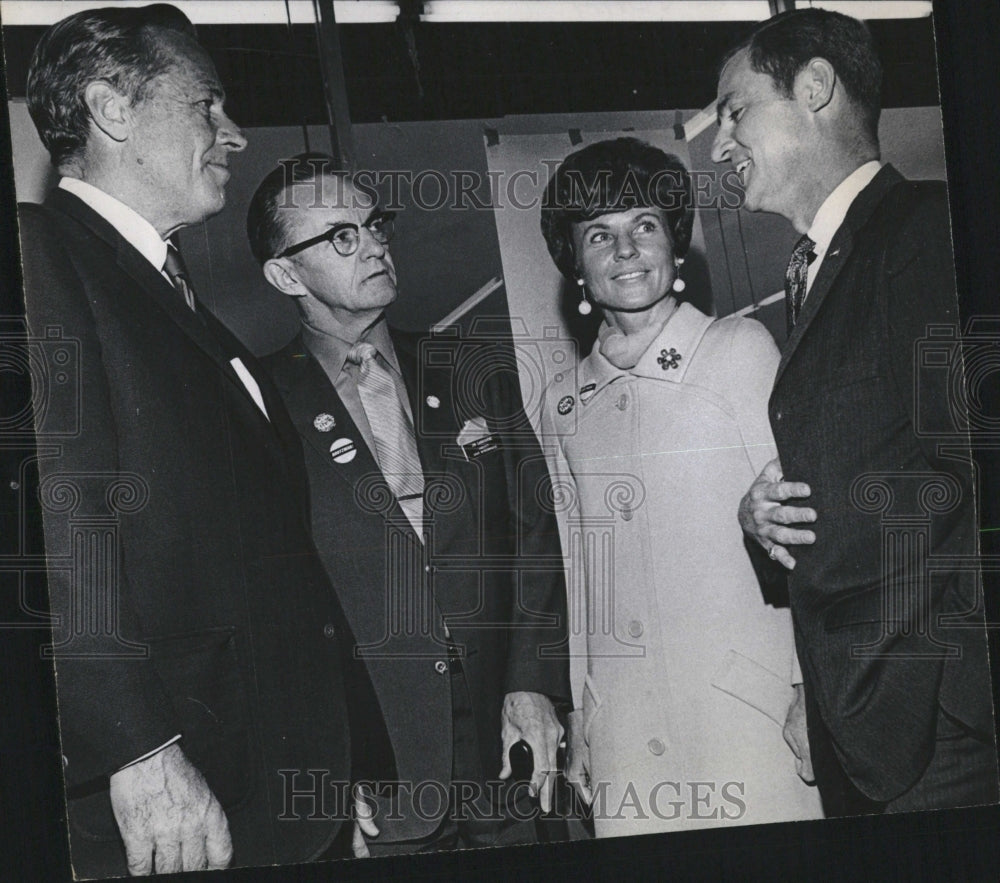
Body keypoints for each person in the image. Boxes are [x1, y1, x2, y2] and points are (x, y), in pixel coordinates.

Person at [18, 6, 370, 875]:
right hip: (177, 799)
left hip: (272, 790)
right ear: (112, 108)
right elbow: (57, 525)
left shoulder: (178, 301)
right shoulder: (38, 255)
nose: (234, 133)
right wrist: (135, 751)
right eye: (207, 106)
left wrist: (336, 765)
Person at [712, 8, 997, 815]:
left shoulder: (927, 233)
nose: (718, 143)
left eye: (735, 110)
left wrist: (953, 685)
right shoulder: (820, 270)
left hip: (942, 733)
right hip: (863, 734)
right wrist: (763, 522)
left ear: (814, 87)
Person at [247, 154, 571, 855]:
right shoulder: (260, 405)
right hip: (377, 769)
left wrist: (534, 683)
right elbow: (268, 601)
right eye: (339, 236)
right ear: (284, 274)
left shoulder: (473, 370)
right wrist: (324, 759)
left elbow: (536, 536)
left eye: (374, 224)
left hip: (505, 742)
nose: (373, 244)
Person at [539, 137, 822, 839]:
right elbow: (580, 568)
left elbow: (801, 533)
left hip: (746, 705)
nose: (626, 250)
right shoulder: (562, 402)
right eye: (599, 234)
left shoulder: (739, 350)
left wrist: (812, 688)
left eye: (644, 225)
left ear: (675, 242)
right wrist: (582, 711)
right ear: (575, 262)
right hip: (623, 725)